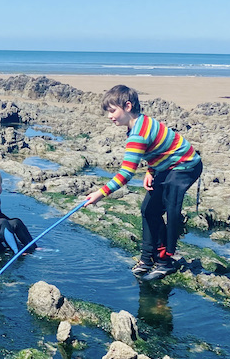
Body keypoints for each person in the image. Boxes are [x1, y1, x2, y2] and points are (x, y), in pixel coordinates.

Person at [83, 84, 202, 280]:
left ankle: (165, 262)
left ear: (127, 106)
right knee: (148, 210)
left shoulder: (138, 133)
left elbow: (126, 174)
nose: (109, 116)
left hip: (186, 166)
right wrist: (151, 169)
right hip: (167, 166)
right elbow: (159, 147)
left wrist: (100, 194)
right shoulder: (138, 124)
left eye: (112, 111)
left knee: (167, 210)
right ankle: (147, 259)